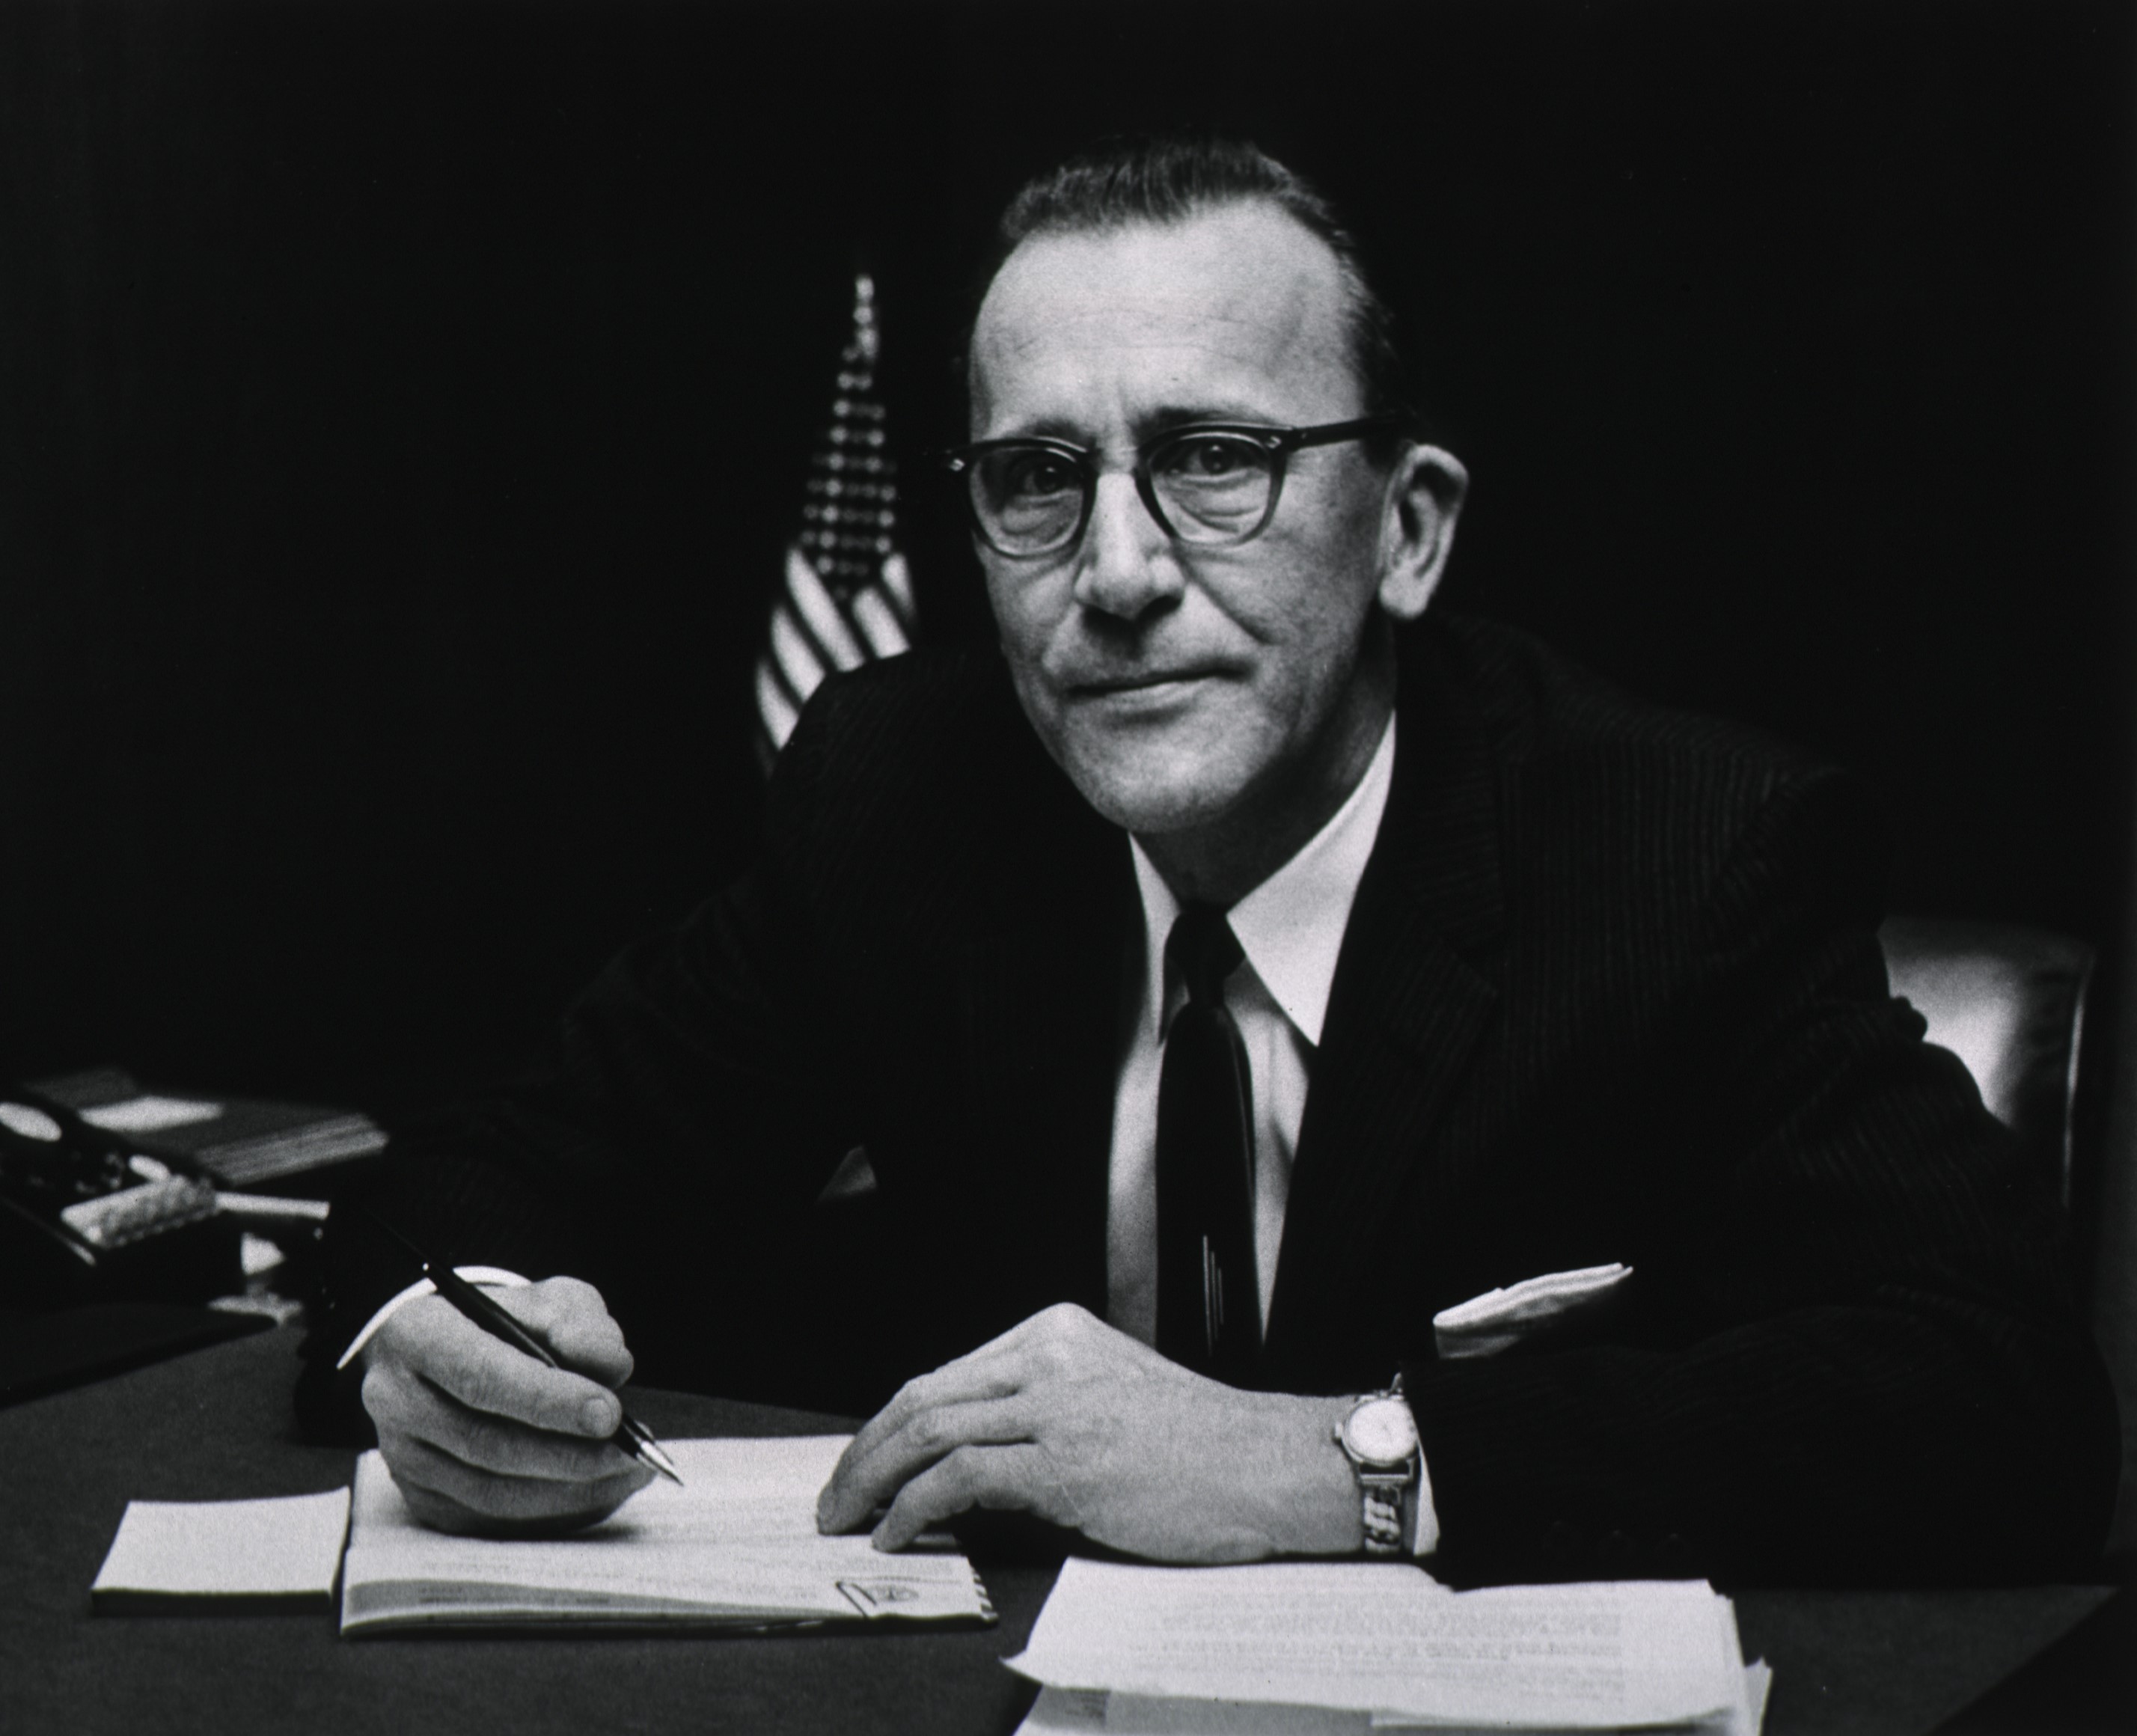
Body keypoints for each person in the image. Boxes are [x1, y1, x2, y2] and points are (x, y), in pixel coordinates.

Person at [298, 135, 2118, 1586]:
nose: (1116, 571)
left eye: (1214, 459)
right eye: (1038, 477)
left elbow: (2008, 1405)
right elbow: (483, 1170)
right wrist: (428, 1343)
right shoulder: (904, 796)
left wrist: (1341, 1459)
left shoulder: (1676, 853)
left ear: (1406, 531)